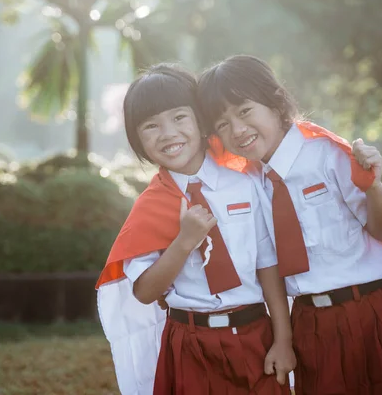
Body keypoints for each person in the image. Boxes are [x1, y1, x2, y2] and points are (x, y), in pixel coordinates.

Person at [197, 54, 382, 395]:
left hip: (373, 311)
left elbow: (381, 231)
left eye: (244, 111)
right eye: (222, 124)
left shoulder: (327, 154)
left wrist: (373, 187)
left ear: (275, 103)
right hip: (312, 323)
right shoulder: (251, 184)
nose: (237, 130)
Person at [96, 63, 294, 395]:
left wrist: (283, 340)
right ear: (137, 140)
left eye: (179, 117)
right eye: (151, 126)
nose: (168, 134)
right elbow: (144, 292)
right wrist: (184, 241)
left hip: (255, 336)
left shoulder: (245, 182)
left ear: (201, 122)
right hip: (190, 343)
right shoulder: (152, 205)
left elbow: (268, 265)